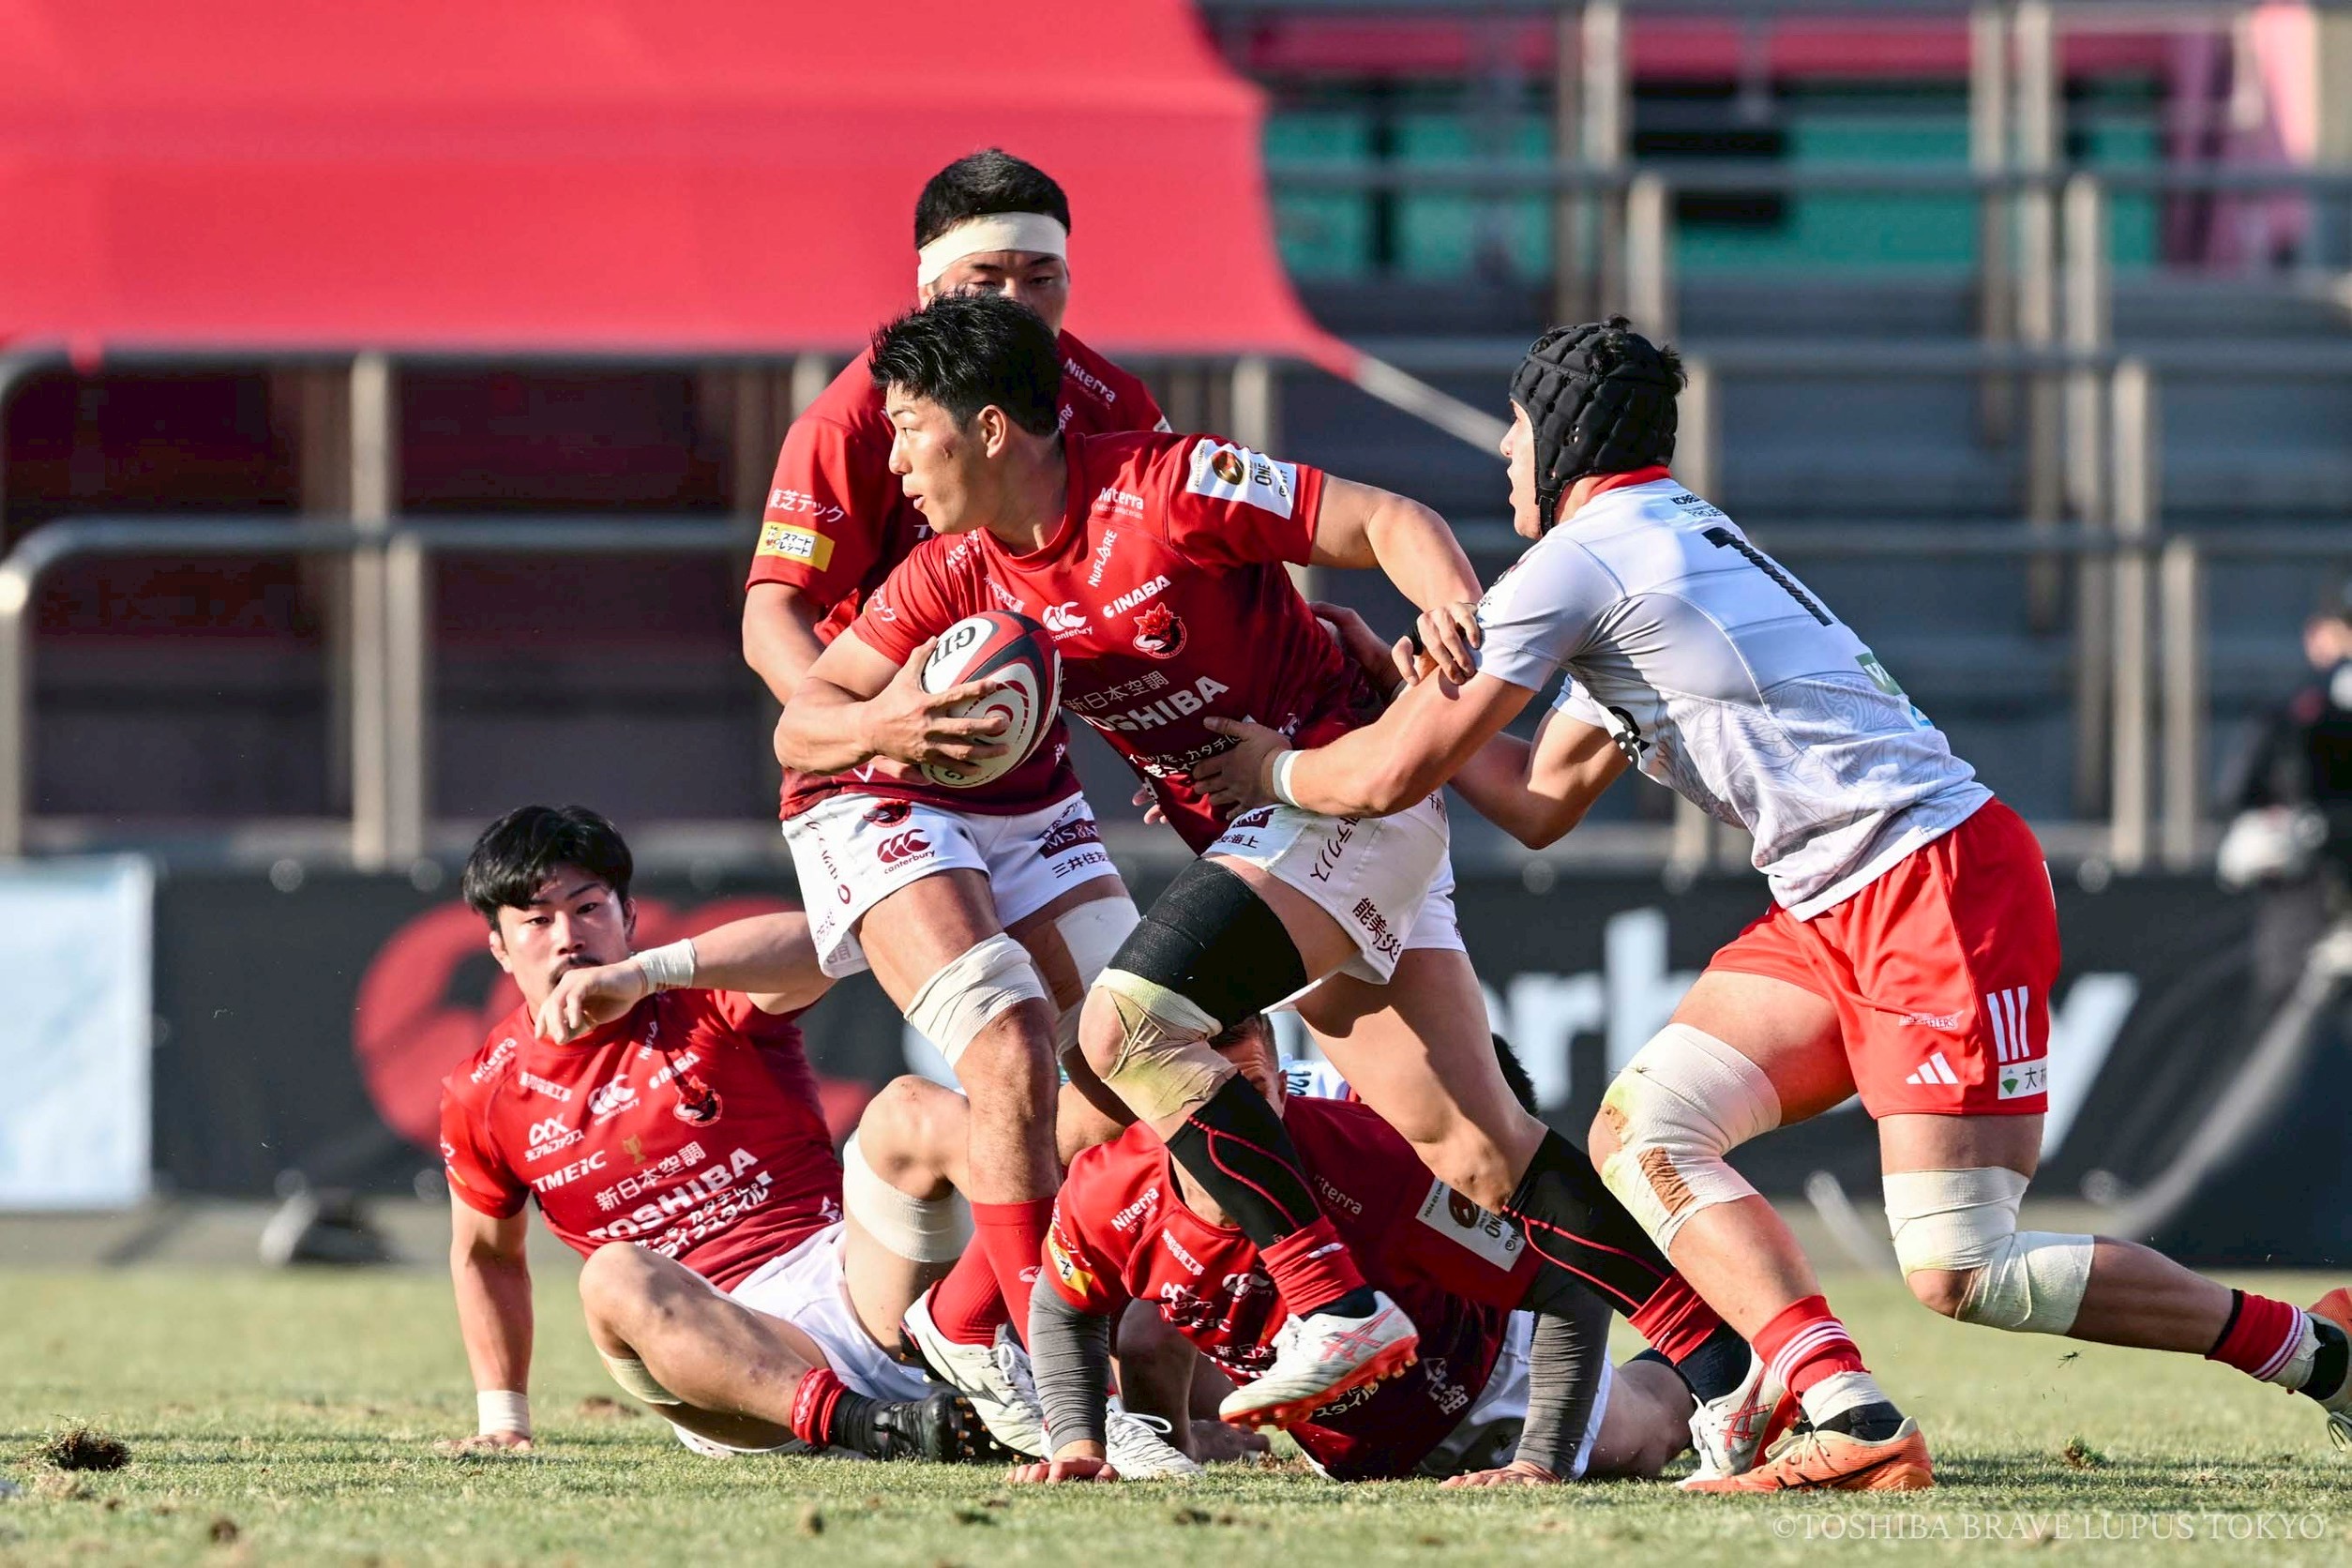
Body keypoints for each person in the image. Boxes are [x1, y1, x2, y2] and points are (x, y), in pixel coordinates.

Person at [1191, 316, 2352, 1489]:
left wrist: (1269, 771)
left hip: (1928, 881)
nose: (1504, 451)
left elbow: (1391, 776)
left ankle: (2320, 1352)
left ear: (1563, 435)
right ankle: (1836, 1400)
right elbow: (1539, 799)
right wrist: (1388, 679)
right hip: (1839, 894)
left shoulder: (1583, 563)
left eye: (1517, 424)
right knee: (1644, 1130)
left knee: (1965, 1267)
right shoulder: (1658, 542)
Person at [777, 293, 1763, 1452]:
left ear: (989, 428)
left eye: (908, 428)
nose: (895, 460)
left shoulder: (1165, 486)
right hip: (1300, 844)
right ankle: (1731, 1370)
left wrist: (1454, 615)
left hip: (1346, 797)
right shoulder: (955, 575)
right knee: (1478, 1151)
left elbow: (1385, 518)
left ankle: (1332, 1303)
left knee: (1127, 1028)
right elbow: (805, 718)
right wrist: (885, 721)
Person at [731, 147, 1168, 1449]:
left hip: (1029, 783)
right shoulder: (855, 417)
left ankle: (978, 1316)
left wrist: (1174, 738)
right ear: (927, 287)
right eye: (988, 278)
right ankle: (1059, 1383)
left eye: (1042, 277)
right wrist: (877, 725)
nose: (1019, 302)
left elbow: (1132, 594)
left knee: (1155, 1052)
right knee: (1009, 1048)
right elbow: (772, 619)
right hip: (869, 775)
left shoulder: (1109, 402)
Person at [438, 804, 1011, 1461]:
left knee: (913, 1106)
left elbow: (829, 946)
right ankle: (870, 1425)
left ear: (628, 917)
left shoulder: (696, 991)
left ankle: (1067, 1349)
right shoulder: (483, 1090)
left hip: (862, 1285)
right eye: (538, 920)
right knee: (611, 1275)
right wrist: (504, 1420)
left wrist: (648, 973)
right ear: (500, 947)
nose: (569, 936)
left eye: (589, 908)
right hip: (723, 1355)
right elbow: (485, 1255)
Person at [1015, 1016, 1705, 1486]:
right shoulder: (1108, 1188)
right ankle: (1171, 1445)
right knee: (1145, 1327)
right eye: (1204, 1103)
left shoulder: (1371, 1161)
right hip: (1339, 1442)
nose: (1234, 1129)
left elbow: (1567, 1280)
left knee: (1651, 1432)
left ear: (1278, 1070)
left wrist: (1540, 1463)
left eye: (1248, 1092)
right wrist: (1078, 1444)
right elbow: (1060, 1306)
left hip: (1485, 1389)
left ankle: (1726, 1347)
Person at [2214, 579, 2352, 1031]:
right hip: (2302, 917)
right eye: (2345, 632)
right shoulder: (2290, 720)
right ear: (2318, 637)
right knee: (2294, 1043)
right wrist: (2275, 834)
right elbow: (2234, 801)